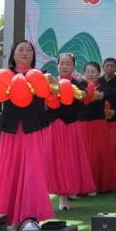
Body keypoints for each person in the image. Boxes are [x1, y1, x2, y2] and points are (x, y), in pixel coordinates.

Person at [0, 40, 54, 230]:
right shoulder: (3, 75)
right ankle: (7, 217)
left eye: (29, 50)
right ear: (13, 54)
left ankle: (29, 217)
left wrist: (55, 84)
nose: (24, 53)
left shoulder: (41, 76)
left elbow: (56, 95)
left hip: (34, 128)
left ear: (33, 55)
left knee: (32, 171)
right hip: (12, 128)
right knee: (9, 170)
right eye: (20, 49)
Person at [42, 53, 96, 210]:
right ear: (57, 65)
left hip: (71, 126)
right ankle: (57, 194)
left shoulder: (80, 83)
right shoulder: (47, 82)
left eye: (68, 64)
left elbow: (83, 97)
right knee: (52, 160)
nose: (65, 66)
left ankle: (67, 192)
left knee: (69, 159)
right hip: (53, 126)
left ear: (74, 66)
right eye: (62, 63)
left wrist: (61, 86)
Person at [80, 62, 116, 194]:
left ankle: (96, 185)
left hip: (98, 125)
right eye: (88, 72)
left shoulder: (103, 87)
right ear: (84, 73)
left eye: (93, 72)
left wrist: (98, 95)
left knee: (97, 155)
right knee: (83, 156)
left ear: (99, 73)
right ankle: (83, 185)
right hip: (82, 125)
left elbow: (105, 95)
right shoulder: (80, 86)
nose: (90, 74)